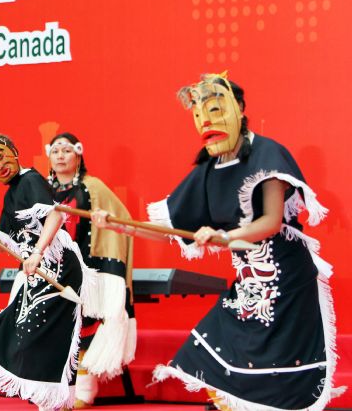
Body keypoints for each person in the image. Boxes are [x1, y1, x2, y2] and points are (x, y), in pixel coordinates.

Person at [93, 72, 344, 410]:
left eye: (214, 109)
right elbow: (167, 227)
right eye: (198, 114)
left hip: (286, 277)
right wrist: (121, 227)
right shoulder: (209, 168)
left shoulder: (269, 154)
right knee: (213, 351)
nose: (205, 121)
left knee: (280, 370)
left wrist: (225, 237)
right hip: (248, 278)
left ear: (239, 108)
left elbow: (270, 223)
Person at [0, 133, 97, 411]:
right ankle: (53, 401)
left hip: (59, 265)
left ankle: (56, 401)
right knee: (26, 334)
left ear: (14, 151)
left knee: (40, 334)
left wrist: (39, 252)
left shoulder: (30, 180)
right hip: (38, 269)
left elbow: (56, 214)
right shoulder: (12, 194)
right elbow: (2, 245)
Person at [46, 132, 136, 408]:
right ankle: (55, 389)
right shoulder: (42, 190)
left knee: (83, 326)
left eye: (67, 150)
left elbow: (123, 223)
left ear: (79, 155)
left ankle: (84, 390)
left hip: (86, 268)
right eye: (56, 151)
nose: (61, 156)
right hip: (52, 268)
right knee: (52, 329)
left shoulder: (92, 187)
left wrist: (105, 226)